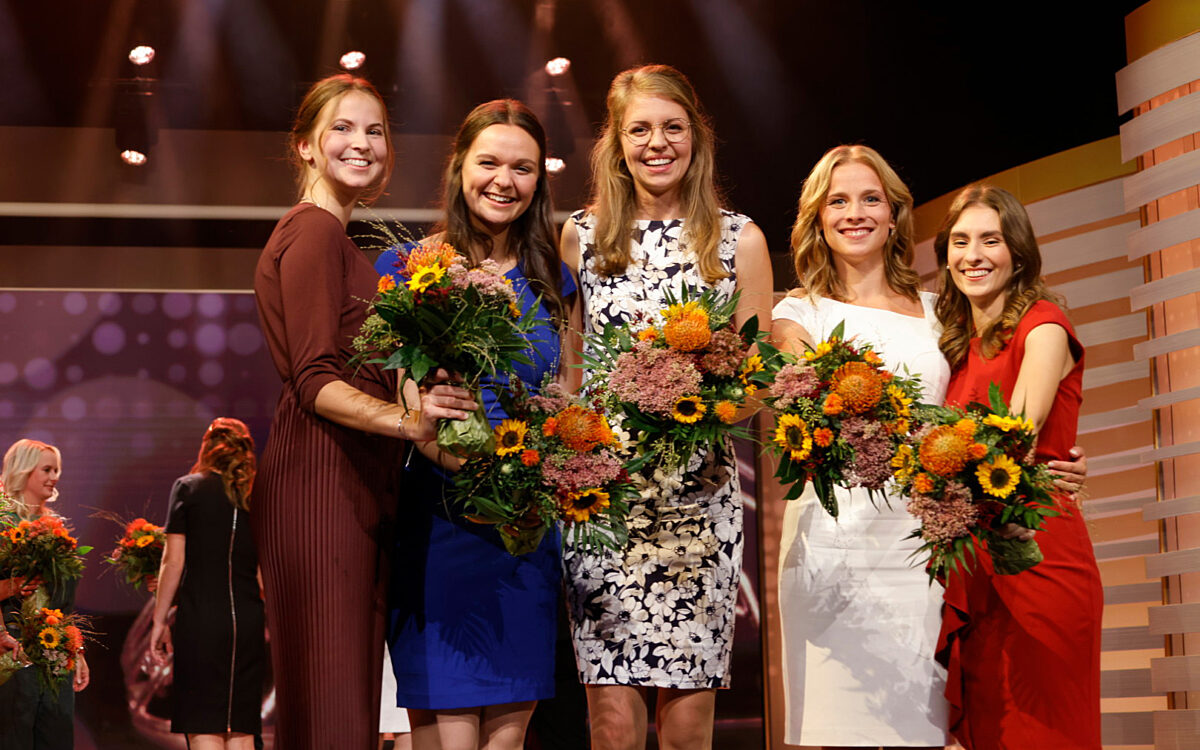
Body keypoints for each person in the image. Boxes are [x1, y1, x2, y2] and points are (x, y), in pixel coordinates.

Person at [771, 146, 1089, 750]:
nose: (855, 213)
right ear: (817, 217)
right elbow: (798, 400)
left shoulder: (938, 316)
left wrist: (1053, 461)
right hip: (836, 542)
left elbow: (991, 408)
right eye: (837, 201)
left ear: (895, 215)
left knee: (925, 733)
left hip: (929, 549)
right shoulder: (793, 313)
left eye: (871, 199)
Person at [252, 73, 476, 750]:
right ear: (306, 147)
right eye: (343, 128)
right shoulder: (316, 232)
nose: (362, 143)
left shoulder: (338, 242)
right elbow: (315, 380)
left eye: (375, 130)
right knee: (332, 710)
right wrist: (409, 423)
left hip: (343, 481)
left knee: (337, 702)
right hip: (321, 482)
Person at [559, 64, 773, 750]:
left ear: (695, 137)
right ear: (616, 142)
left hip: (698, 506)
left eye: (672, 127)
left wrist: (692, 407)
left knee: (686, 730)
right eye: (640, 129)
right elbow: (569, 375)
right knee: (611, 726)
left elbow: (759, 378)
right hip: (606, 505)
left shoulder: (741, 240)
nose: (658, 143)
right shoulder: (581, 237)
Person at [384, 99, 577, 750]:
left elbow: (567, 395)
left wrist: (547, 471)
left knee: (506, 741)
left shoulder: (557, 280)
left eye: (523, 168)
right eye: (488, 162)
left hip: (523, 529)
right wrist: (463, 462)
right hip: (440, 524)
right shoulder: (412, 268)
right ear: (459, 167)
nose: (504, 180)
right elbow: (408, 401)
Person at [933, 184, 1102, 750]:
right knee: (994, 728)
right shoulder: (959, 345)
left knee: (1049, 729)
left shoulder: (1045, 323)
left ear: (1020, 253)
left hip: (1038, 552)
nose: (972, 255)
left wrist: (926, 460)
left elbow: (1015, 435)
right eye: (959, 241)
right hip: (976, 562)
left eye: (991, 240)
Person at [149, 418, 265, 750]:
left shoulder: (188, 488)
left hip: (200, 619)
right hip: (247, 620)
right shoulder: (256, 496)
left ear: (207, 447)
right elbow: (263, 571)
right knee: (241, 724)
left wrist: (159, 621)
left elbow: (173, 561)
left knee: (203, 720)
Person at [0, 439, 90, 749]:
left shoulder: (56, 531)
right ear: (23, 471)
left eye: (57, 470)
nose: (54, 477)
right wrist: (12, 587)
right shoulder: (4, 526)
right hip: (12, 649)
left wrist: (75, 650)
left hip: (55, 649)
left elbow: (63, 604)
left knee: (56, 736)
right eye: (47, 469)